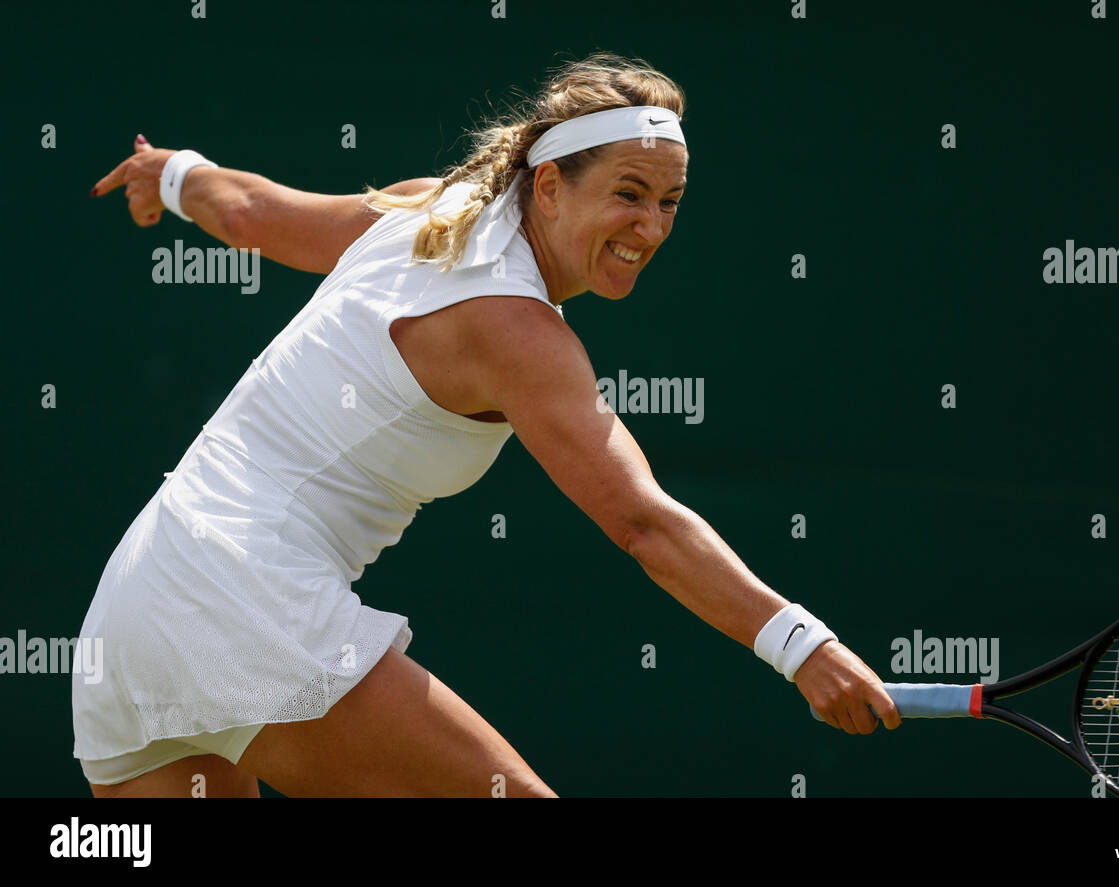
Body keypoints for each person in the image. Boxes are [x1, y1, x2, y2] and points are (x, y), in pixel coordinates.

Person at [77, 52, 900, 798]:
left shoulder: (428, 212)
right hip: (243, 602)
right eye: (627, 194)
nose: (650, 228)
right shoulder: (519, 333)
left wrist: (172, 173)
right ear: (549, 185)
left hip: (136, 610)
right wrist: (803, 646)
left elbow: (255, 212)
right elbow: (644, 522)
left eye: (669, 201)